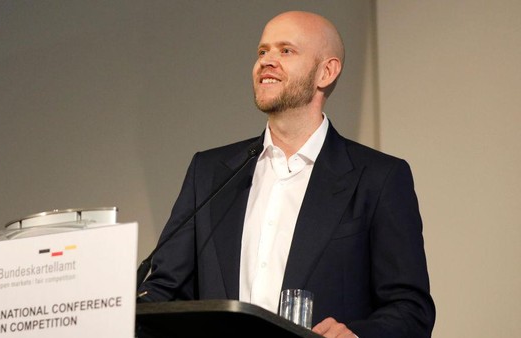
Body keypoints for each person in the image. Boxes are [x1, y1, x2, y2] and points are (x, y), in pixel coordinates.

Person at [137, 10, 435, 338]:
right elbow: (163, 292)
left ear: (326, 71)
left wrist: (355, 335)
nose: (267, 60)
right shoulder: (210, 173)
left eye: (286, 50)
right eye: (262, 51)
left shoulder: (379, 178)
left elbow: (410, 310)